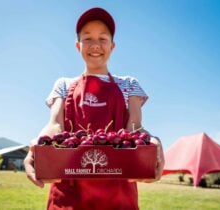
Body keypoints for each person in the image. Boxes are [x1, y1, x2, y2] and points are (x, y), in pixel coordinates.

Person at [24, 7, 165, 210]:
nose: (95, 45)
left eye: (103, 38)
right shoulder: (63, 84)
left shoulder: (129, 84)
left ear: (113, 46)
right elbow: (55, 125)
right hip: (68, 194)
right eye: (87, 38)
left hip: (118, 194)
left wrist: (151, 141)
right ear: (77, 45)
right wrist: (39, 144)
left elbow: (135, 127)